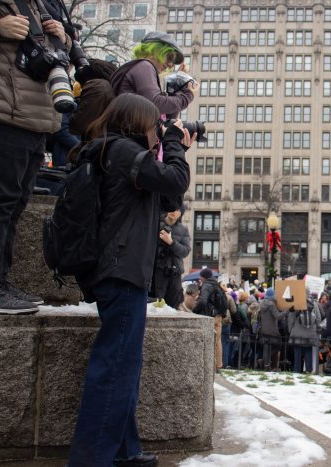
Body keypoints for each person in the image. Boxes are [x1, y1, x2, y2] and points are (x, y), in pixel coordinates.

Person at [67, 94, 192, 467]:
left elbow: (170, 196)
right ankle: (92, 460)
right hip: (121, 273)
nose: (157, 130)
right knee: (115, 369)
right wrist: (172, 144)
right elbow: (175, 177)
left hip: (119, 273)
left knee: (125, 366)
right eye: (154, 124)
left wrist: (170, 146)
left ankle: (125, 450)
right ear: (137, 121)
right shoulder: (120, 152)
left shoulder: (116, 153)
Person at [0, 0, 73, 313]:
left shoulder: (39, 5)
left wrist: (60, 37)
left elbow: (50, 57)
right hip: (3, 114)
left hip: (35, 119)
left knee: (13, 206)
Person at [111, 32, 196, 119]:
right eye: (170, 57)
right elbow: (155, 103)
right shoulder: (145, 66)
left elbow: (167, 118)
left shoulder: (142, 68)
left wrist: (178, 87)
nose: (171, 64)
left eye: (174, 63)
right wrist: (187, 96)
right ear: (155, 49)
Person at [152, 208, 191, 308]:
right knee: (156, 303)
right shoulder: (155, 223)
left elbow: (185, 251)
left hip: (175, 271)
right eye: (171, 208)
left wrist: (171, 242)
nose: (173, 211)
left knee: (174, 304)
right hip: (157, 270)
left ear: (180, 213)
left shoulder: (183, 229)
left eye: (177, 210)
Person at [288, 290, 322, 373]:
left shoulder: (297, 304)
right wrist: (317, 329)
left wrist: (290, 330)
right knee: (308, 351)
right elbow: (318, 318)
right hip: (310, 333)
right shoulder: (314, 304)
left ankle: (297, 370)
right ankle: (308, 370)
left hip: (297, 332)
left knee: (297, 352)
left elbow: (291, 318)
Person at [258, 287, 282, 370]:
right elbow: (278, 316)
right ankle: (266, 362)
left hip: (263, 329)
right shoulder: (271, 304)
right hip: (272, 331)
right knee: (278, 345)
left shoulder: (261, 303)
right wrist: (287, 311)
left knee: (266, 347)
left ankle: (265, 364)